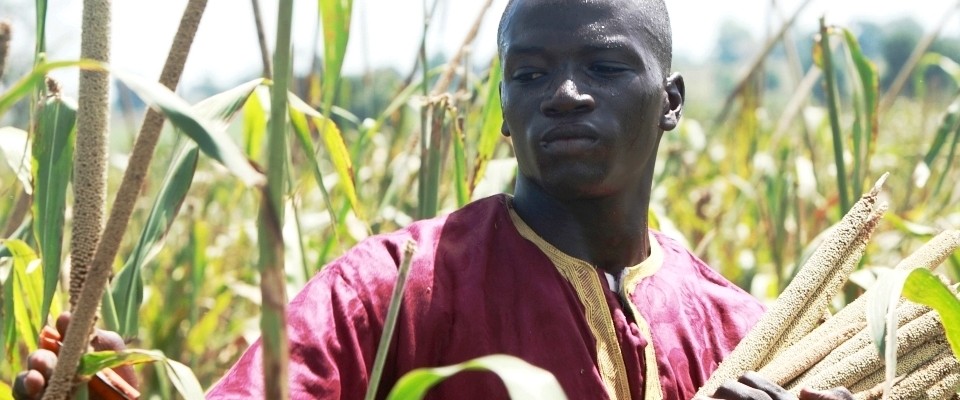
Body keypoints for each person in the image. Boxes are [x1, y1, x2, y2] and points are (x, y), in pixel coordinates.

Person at [15, 0, 855, 399]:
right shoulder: (396, 288)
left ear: (670, 101)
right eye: (530, 74)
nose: (563, 95)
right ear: (502, 111)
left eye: (603, 69)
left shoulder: (746, 334)